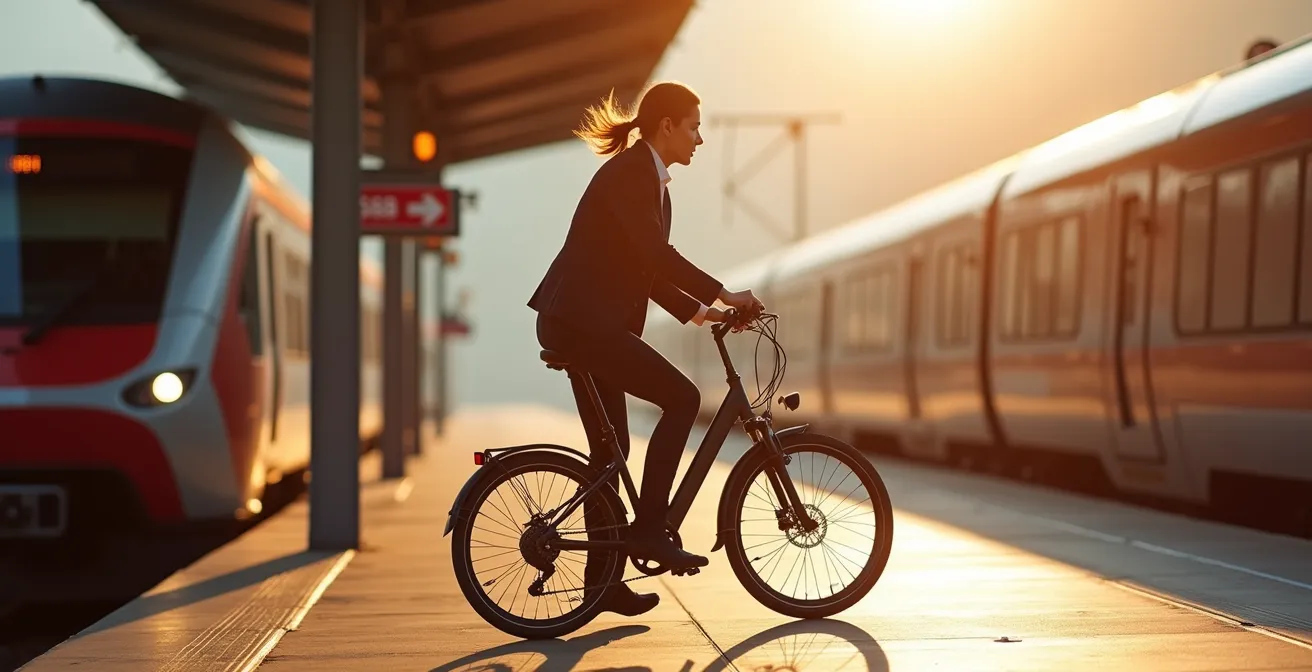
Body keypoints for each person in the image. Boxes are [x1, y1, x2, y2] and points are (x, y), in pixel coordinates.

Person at [527, 81, 764, 617]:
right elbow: (657, 254)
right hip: (583, 326)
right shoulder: (633, 174)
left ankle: (603, 583)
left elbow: (645, 270)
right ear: (668, 127)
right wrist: (724, 290)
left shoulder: (650, 181)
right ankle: (652, 529)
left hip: (584, 324)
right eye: (695, 126)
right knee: (682, 400)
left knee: (611, 456)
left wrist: (708, 314)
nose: (700, 139)